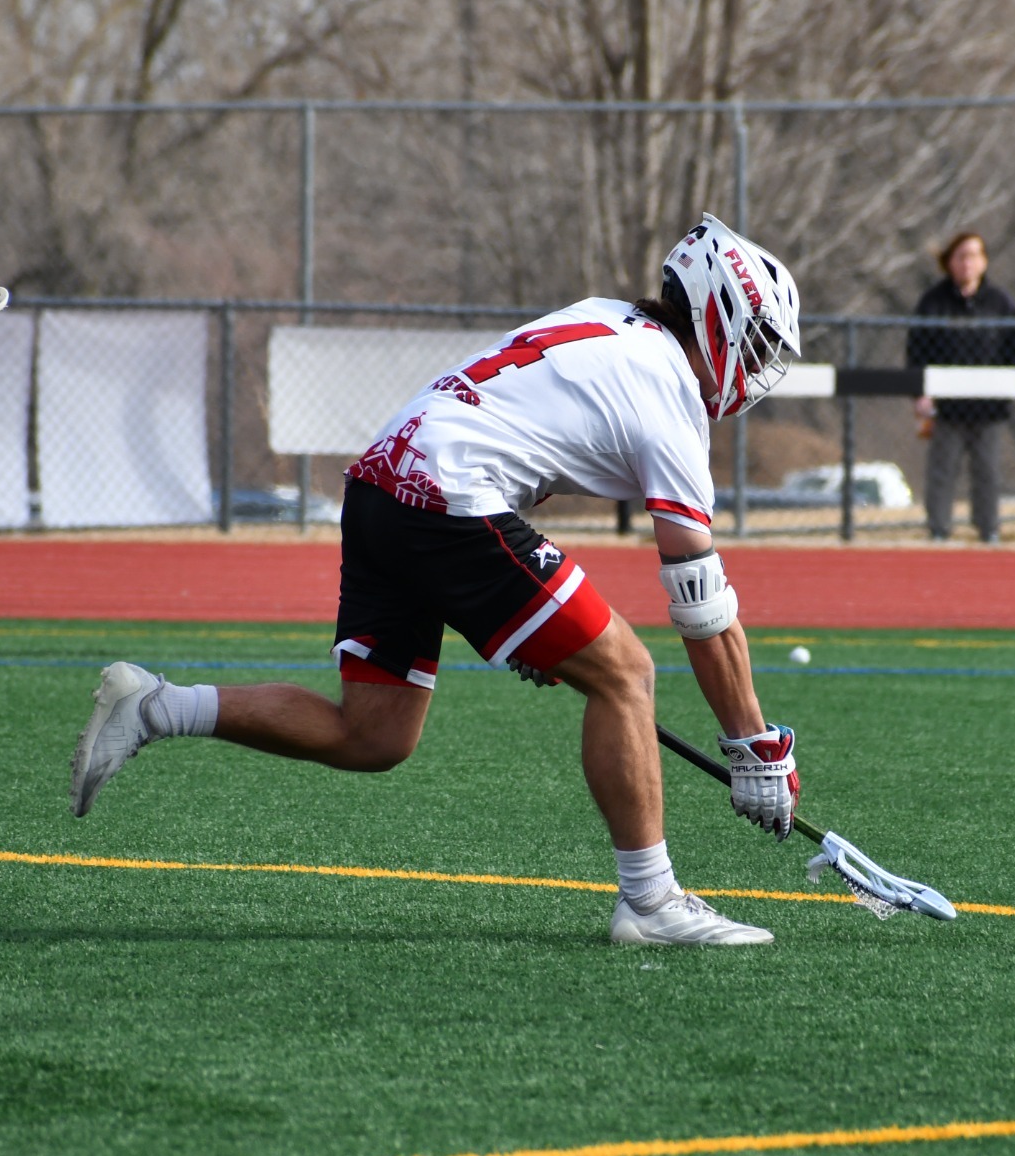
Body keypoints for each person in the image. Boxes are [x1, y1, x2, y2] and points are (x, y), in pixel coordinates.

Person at [68, 213, 804, 947]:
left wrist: (532, 627)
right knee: (625, 673)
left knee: (374, 732)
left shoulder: (607, 319)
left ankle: (156, 707)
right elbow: (701, 607)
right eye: (761, 341)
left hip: (383, 482)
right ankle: (650, 903)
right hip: (449, 493)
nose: (759, 364)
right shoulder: (669, 389)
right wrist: (754, 744)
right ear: (719, 315)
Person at [905, 231, 1015, 543]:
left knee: (987, 472)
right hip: (946, 407)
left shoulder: (1000, 303)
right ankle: (939, 529)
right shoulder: (934, 302)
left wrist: (1007, 388)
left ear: (984, 261)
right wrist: (921, 393)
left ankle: (989, 529)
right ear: (949, 262)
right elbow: (916, 351)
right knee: (942, 470)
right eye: (961, 256)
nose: (967, 263)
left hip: (988, 406)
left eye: (974, 255)